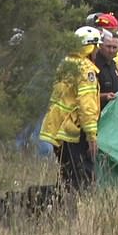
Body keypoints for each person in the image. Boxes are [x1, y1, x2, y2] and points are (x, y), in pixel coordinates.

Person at [39, 26, 101, 192]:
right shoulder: (86, 69)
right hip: (75, 133)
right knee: (82, 180)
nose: (97, 52)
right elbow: (86, 105)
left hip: (59, 131)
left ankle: (60, 210)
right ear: (90, 47)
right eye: (97, 47)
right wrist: (91, 136)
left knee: (66, 178)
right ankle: (80, 212)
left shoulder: (65, 64)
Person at [95, 33, 118, 109]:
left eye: (114, 47)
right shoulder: (93, 65)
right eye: (108, 46)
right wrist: (104, 97)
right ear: (101, 46)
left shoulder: (113, 65)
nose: (111, 50)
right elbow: (86, 96)